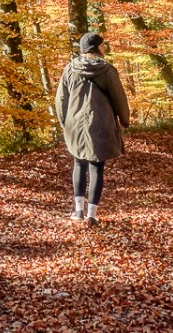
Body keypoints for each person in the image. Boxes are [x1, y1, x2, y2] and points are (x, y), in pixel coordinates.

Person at [55, 32, 131, 224]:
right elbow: (119, 97)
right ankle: (92, 214)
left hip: (75, 124)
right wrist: (124, 119)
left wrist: (65, 122)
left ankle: (78, 211)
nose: (104, 48)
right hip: (101, 123)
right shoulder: (107, 70)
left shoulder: (70, 69)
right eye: (102, 45)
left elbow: (61, 99)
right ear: (96, 48)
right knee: (97, 167)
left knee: (79, 164)